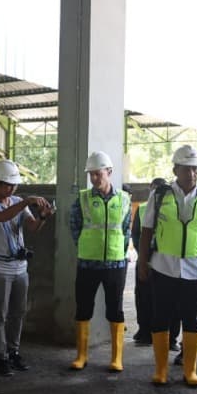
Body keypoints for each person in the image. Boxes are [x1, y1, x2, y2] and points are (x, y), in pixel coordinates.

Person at [138, 144, 197, 387]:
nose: (191, 174)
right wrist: (143, 263)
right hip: (163, 266)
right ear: (175, 169)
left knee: (191, 319)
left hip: (195, 269)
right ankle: (160, 370)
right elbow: (146, 230)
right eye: (186, 169)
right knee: (161, 317)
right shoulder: (160, 195)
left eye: (195, 169)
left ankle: (190, 371)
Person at [0, 160, 51, 376]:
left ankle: (14, 352)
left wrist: (43, 216)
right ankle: (1, 357)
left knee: (18, 312)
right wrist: (26, 202)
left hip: (19, 267)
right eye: (7, 185)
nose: (11, 189)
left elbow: (33, 227)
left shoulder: (19, 201)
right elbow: (3, 216)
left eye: (14, 185)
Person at [69, 151, 131, 372]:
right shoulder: (83, 198)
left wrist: (119, 253)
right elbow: (74, 226)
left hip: (115, 264)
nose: (95, 178)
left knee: (115, 310)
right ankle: (81, 356)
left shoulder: (124, 199)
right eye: (91, 175)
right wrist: (86, 245)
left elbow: (126, 230)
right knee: (84, 308)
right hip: (88, 264)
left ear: (109, 172)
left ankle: (116, 358)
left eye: (98, 174)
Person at [131, 177, 171, 347]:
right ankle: (144, 330)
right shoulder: (142, 209)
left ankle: (163, 334)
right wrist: (144, 257)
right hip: (145, 260)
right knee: (142, 297)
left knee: (162, 299)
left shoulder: (170, 210)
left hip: (164, 261)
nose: (156, 193)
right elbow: (136, 236)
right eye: (154, 190)